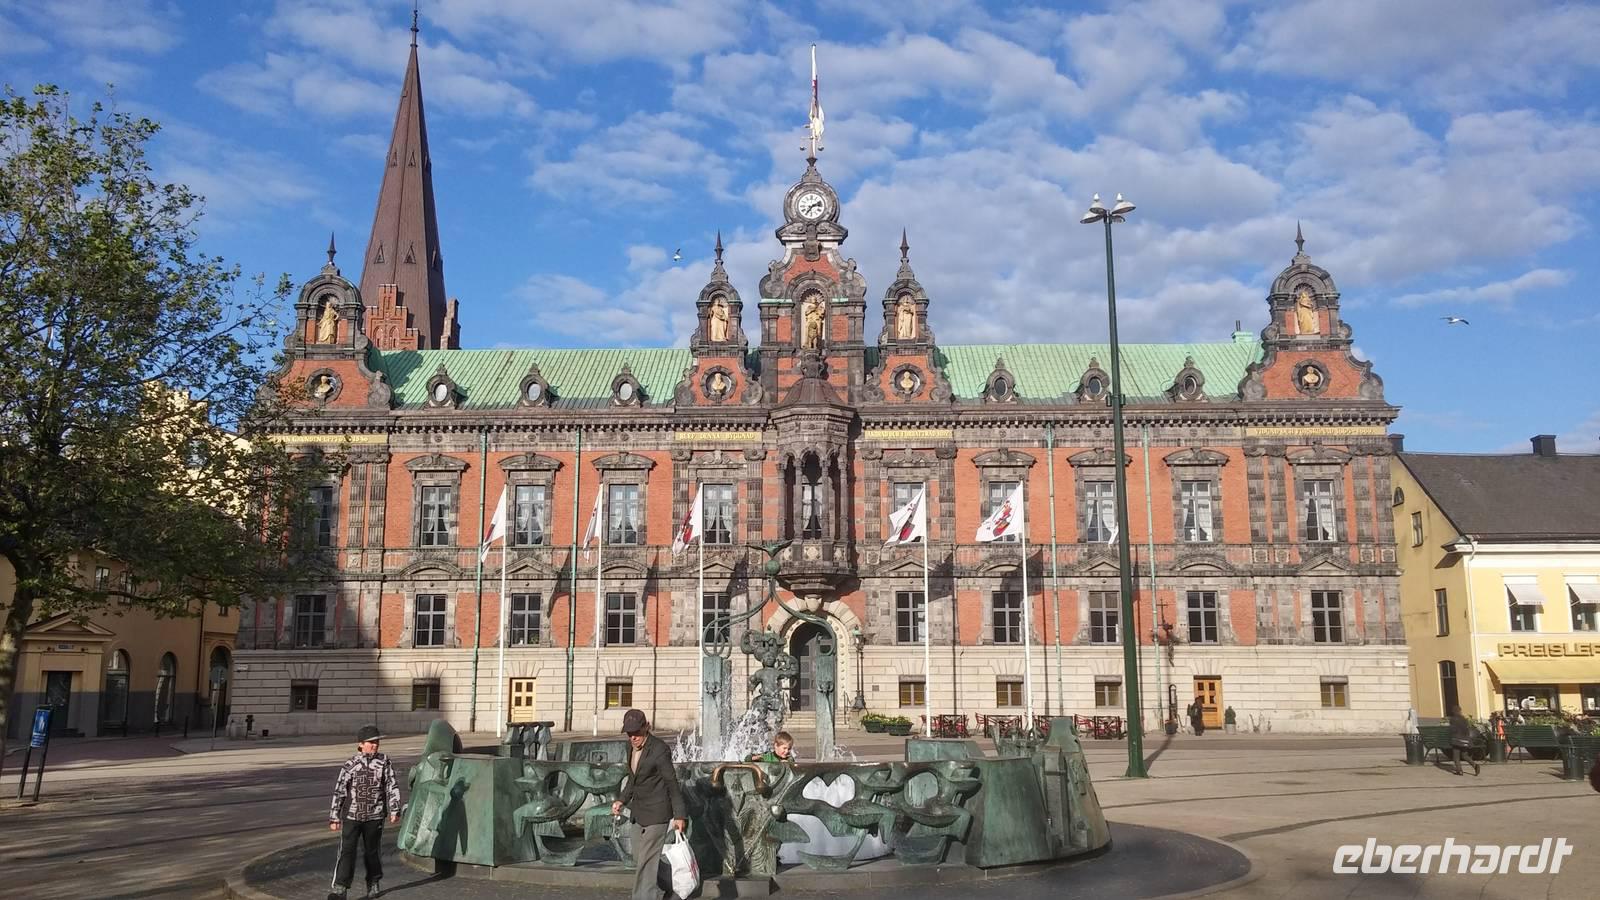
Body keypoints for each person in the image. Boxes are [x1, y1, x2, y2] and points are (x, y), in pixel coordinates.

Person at [611, 709, 687, 900]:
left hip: (658, 813)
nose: (633, 737)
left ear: (647, 727)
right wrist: (621, 800)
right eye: (629, 733)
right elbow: (633, 780)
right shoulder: (630, 748)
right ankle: (676, 885)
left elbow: (672, 783)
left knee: (646, 862)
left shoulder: (660, 750)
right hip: (639, 812)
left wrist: (679, 815)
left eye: (636, 732)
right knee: (640, 858)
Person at [327, 725, 401, 900]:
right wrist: (334, 816)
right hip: (352, 816)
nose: (375, 745)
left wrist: (394, 808)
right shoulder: (350, 764)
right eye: (371, 742)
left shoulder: (384, 762)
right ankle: (340, 887)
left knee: (372, 851)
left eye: (377, 742)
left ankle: (373, 882)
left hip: (375, 816)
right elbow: (340, 790)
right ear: (360, 744)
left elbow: (392, 785)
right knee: (347, 851)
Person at [1447, 706, 1480, 776]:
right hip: (1465, 740)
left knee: (1456, 756)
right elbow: (1467, 730)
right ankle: (1475, 765)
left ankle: (1459, 771)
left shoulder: (1452, 719)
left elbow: (1452, 730)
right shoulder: (1464, 719)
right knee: (1464, 755)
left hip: (1456, 740)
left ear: (1453, 711)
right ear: (1460, 711)